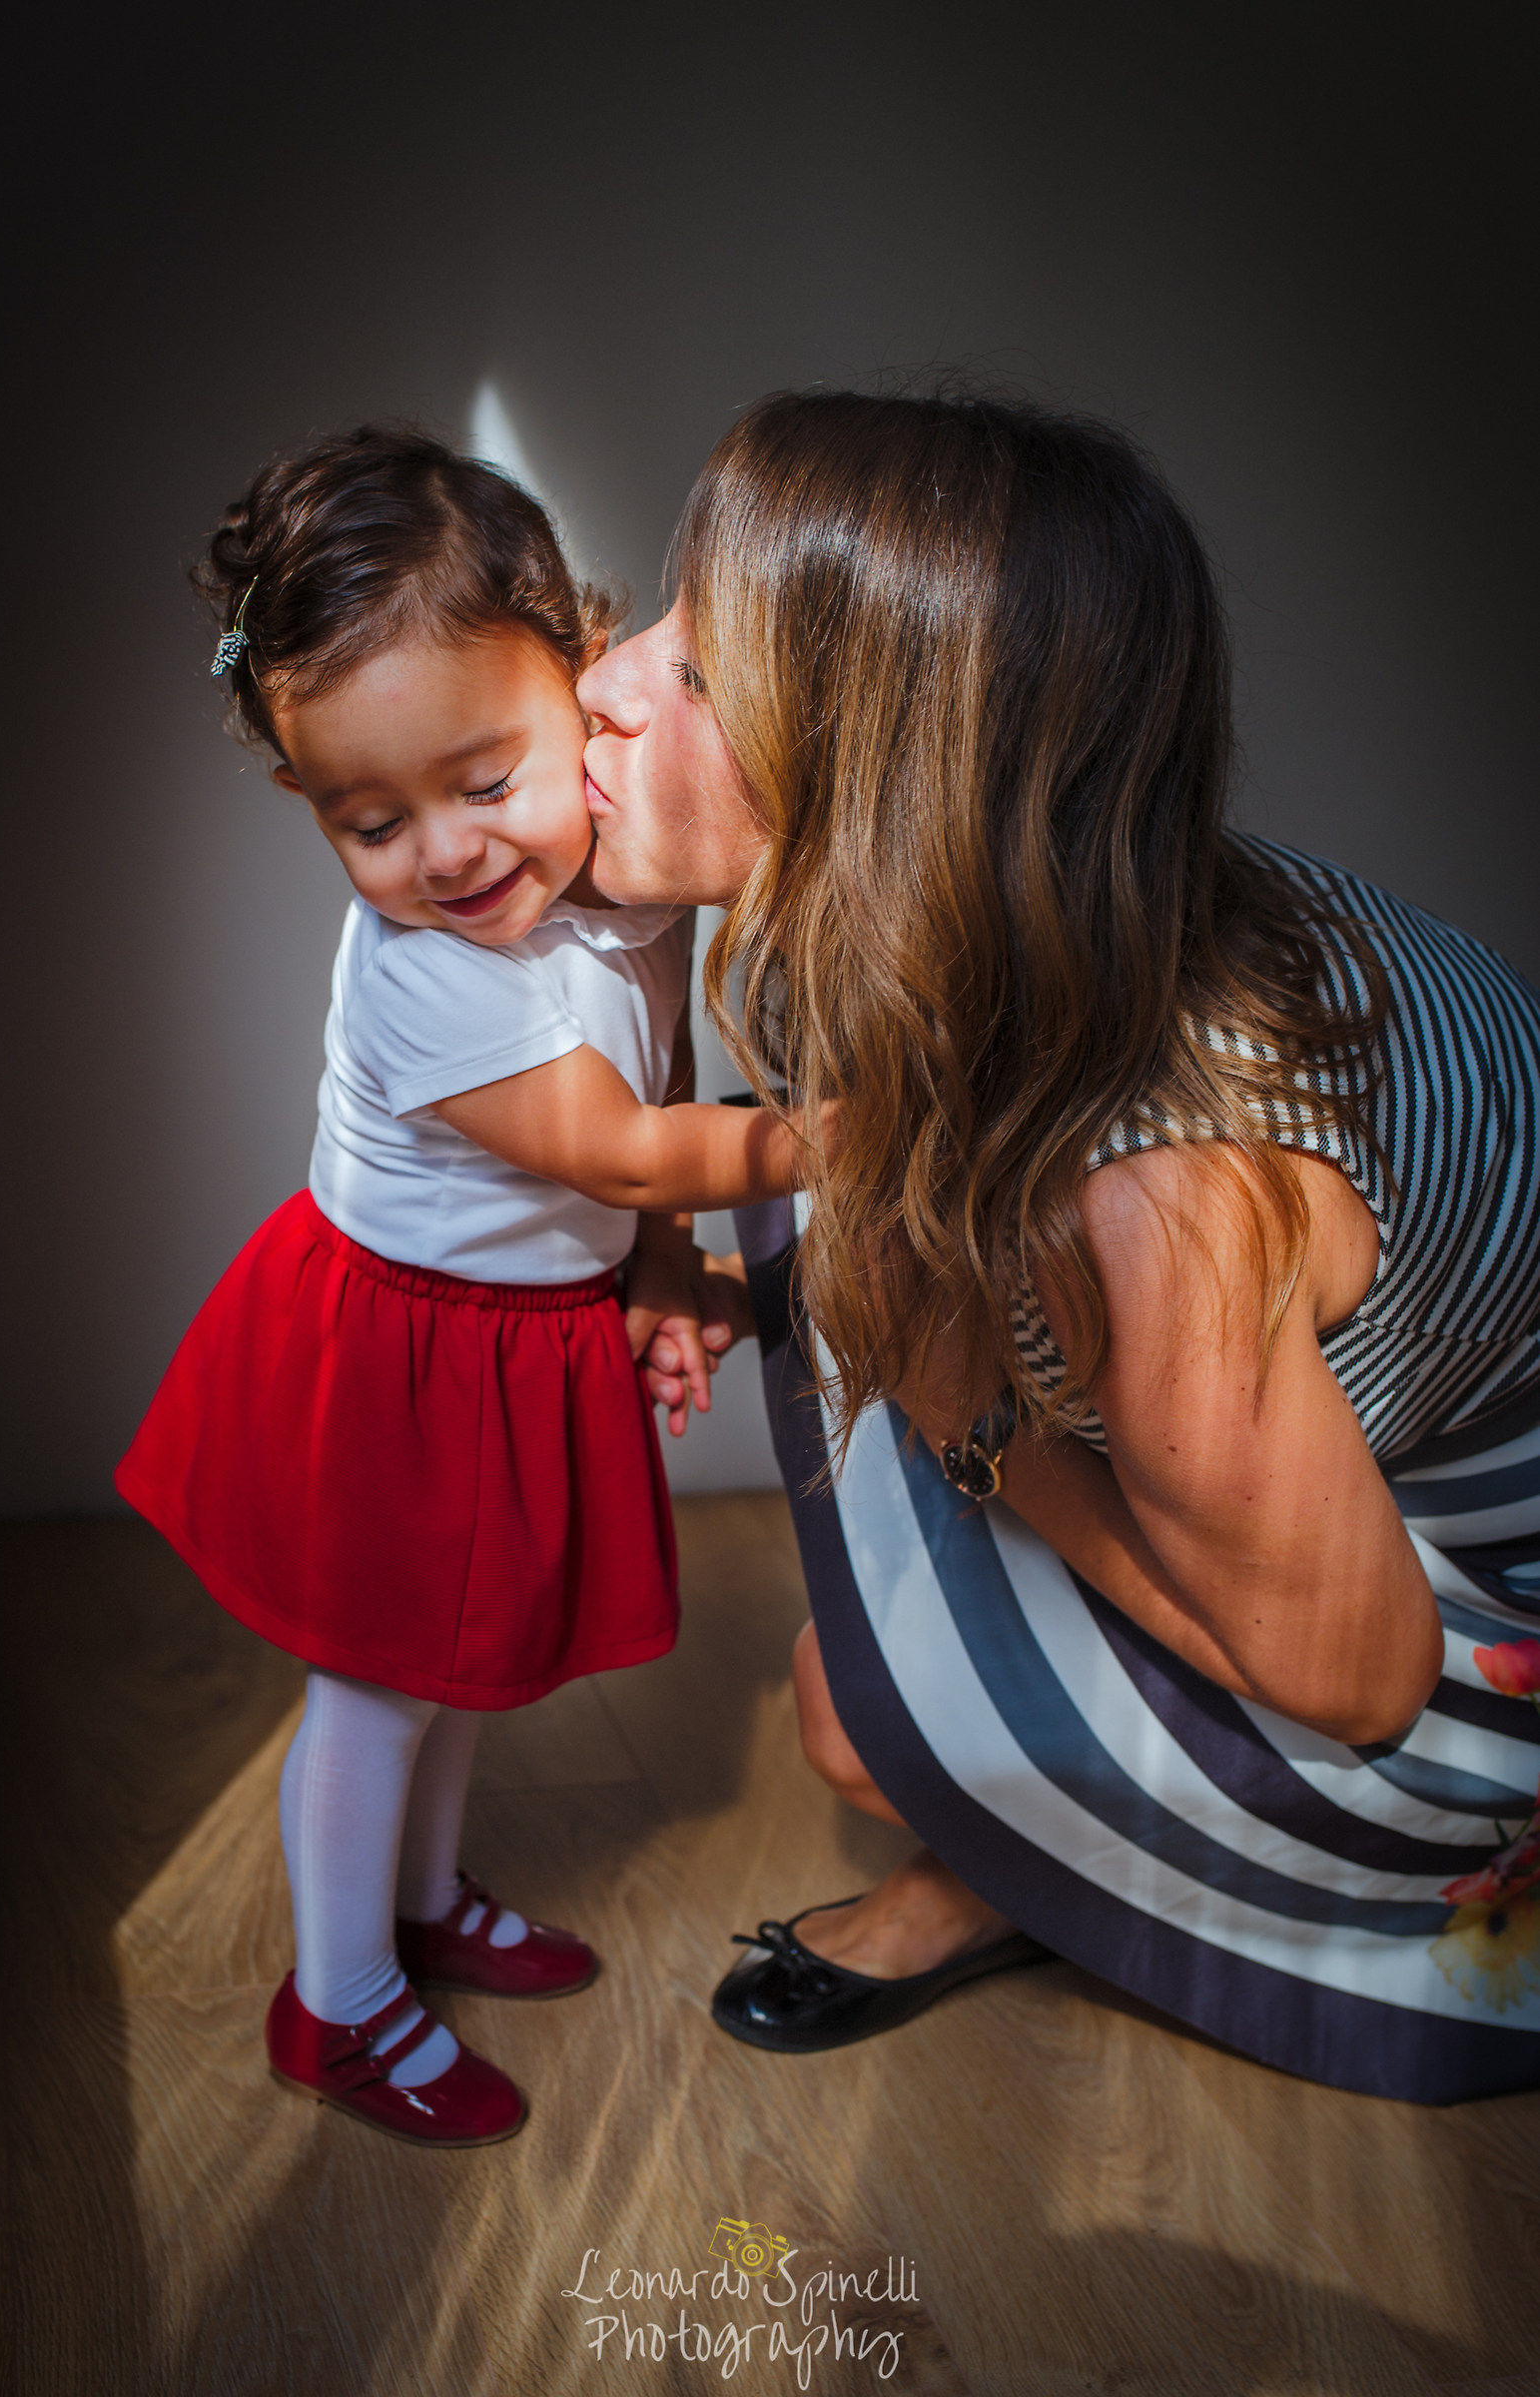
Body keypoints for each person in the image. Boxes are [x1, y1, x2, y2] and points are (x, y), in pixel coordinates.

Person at [578, 389, 1540, 2104]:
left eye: (703, 672)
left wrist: (973, 1416)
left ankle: (1000, 1878)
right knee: (866, 1264)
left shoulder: (1153, 1195)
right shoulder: (1012, 915)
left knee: (843, 1708)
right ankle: (1009, 1843)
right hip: (1298, 1440)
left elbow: (1359, 1676)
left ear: (887, 788)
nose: (604, 681)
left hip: (1468, 1619)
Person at [116, 426, 801, 2148]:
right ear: (314, 806)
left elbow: (651, 1095)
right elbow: (625, 1146)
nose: (443, 853)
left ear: (575, 679)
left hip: (517, 1336)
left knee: (462, 1666)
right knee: (376, 1682)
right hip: (398, 1350)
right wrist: (845, 1140)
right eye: (371, 819)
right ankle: (334, 2000)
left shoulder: (624, 887)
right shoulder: (435, 978)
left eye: (483, 779)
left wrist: (653, 1277)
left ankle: (420, 1905)